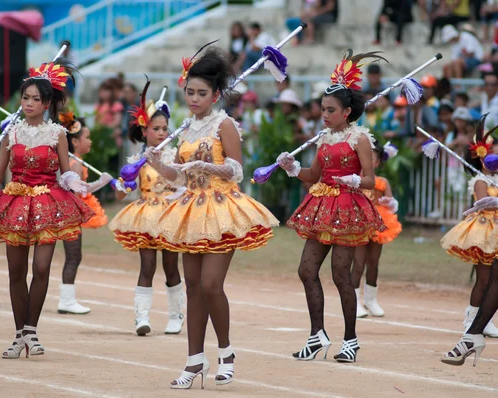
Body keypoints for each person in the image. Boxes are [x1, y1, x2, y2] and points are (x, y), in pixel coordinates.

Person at [145, 45, 278, 388]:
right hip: (191, 209)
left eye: (202, 93)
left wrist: (207, 165)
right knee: (192, 287)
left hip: (221, 207)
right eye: (190, 92)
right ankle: (193, 361)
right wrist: (159, 164)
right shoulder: (186, 128)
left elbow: (236, 169)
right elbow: (178, 175)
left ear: (216, 95)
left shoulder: (224, 123)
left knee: (210, 284)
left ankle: (226, 351)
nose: (194, 98)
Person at [0, 61, 94, 359]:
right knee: (15, 272)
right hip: (16, 203)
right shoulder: (12, 133)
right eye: (26, 98)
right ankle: (19, 334)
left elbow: (65, 172)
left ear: (47, 103)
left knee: (41, 268)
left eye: (36, 99)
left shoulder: (57, 133)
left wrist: (76, 183)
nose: (30, 104)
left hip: (49, 202)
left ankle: (32, 331)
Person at [277, 50, 386, 363]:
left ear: (347, 111)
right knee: (306, 270)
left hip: (348, 207)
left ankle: (350, 340)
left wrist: (352, 180)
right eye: (322, 109)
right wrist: (292, 168)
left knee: (341, 274)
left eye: (330, 110)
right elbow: (314, 176)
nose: (323, 115)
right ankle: (317, 335)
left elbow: (369, 179)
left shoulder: (359, 138)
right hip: (322, 205)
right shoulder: (323, 138)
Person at [110, 80, 184, 336]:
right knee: (147, 266)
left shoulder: (173, 155)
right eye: (156, 128)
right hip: (147, 216)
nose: (162, 133)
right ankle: (141, 317)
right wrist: (120, 182)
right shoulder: (136, 161)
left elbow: (181, 181)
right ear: (145, 131)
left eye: (165, 128)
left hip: (171, 214)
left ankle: (176, 315)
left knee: (172, 266)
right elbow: (121, 193)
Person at [440, 116, 498, 338]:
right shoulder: (481, 181)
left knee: (495, 280)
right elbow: (484, 206)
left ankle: (488, 319)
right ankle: (470, 318)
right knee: (484, 280)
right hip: (485, 232)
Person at [58, 112, 111, 315]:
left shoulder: (73, 161)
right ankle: (66, 300)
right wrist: (102, 182)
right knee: (73, 256)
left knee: (73, 256)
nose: (90, 141)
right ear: (75, 141)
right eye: (87, 137)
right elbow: (81, 190)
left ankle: (67, 298)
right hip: (69, 216)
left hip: (67, 215)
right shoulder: (76, 164)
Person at [352, 142, 402, 318]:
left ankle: (371, 300)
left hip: (377, 223)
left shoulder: (381, 182)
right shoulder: (355, 179)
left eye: (372, 157)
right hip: (358, 223)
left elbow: (391, 202)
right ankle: (354, 301)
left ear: (378, 162)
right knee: (358, 263)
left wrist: (389, 202)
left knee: (373, 262)